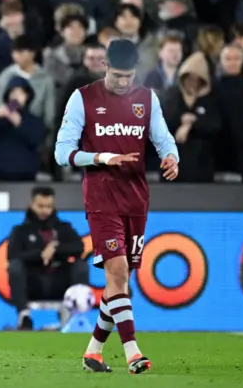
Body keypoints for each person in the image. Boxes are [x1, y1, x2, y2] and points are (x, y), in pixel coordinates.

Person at [55, 38, 180, 374]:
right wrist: (101, 157)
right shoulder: (83, 98)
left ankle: (93, 351)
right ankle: (133, 352)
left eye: (129, 76)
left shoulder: (146, 98)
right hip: (101, 196)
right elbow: (61, 151)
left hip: (137, 197)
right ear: (104, 65)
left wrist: (171, 157)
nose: (123, 83)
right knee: (118, 271)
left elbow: (163, 138)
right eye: (118, 75)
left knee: (120, 284)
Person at [7, 186, 86, 330]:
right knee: (14, 266)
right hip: (33, 283)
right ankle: (24, 316)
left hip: (59, 282)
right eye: (40, 206)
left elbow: (79, 247)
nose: (45, 210)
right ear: (31, 204)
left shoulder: (63, 228)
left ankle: (72, 315)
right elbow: (13, 255)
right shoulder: (20, 231)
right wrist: (41, 254)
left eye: (49, 206)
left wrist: (55, 249)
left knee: (80, 265)